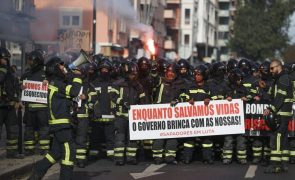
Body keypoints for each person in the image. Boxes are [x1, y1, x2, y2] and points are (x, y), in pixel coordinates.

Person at [28, 56, 84, 180]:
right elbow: (74, 91)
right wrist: (78, 76)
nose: (63, 67)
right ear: (55, 69)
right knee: (69, 154)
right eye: (61, 65)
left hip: (59, 124)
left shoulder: (55, 82)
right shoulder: (57, 84)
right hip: (62, 125)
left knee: (55, 153)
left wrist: (70, 74)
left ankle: (37, 172)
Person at [110, 61, 146, 166]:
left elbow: (142, 99)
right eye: (132, 74)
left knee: (133, 138)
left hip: (133, 117)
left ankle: (131, 158)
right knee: (120, 138)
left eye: (135, 74)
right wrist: (122, 102)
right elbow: (112, 96)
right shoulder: (118, 84)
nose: (134, 76)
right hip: (121, 116)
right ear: (126, 74)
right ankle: (119, 158)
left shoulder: (138, 86)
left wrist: (141, 107)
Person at [263, 59, 293, 173]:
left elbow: (280, 96)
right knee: (283, 138)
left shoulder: (283, 78)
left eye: (272, 68)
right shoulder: (278, 79)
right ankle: (284, 163)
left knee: (277, 136)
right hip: (282, 112)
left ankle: (275, 165)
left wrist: (271, 109)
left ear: (278, 67)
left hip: (282, 112)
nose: (270, 71)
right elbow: (272, 94)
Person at [21, 50, 50, 156]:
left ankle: (44, 149)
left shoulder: (46, 74)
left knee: (44, 128)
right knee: (29, 128)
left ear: (37, 61)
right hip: (29, 108)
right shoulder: (26, 74)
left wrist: (48, 83)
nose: (29, 63)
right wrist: (21, 87)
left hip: (42, 108)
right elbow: (20, 87)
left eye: (31, 61)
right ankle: (29, 149)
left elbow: (52, 87)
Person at [0, 47, 23, 159]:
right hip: (0, 106)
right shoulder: (3, 72)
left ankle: (12, 152)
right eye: (4, 59)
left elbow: (13, 87)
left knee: (13, 130)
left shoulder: (9, 72)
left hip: (10, 106)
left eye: (7, 59)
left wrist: (17, 100)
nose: (6, 61)